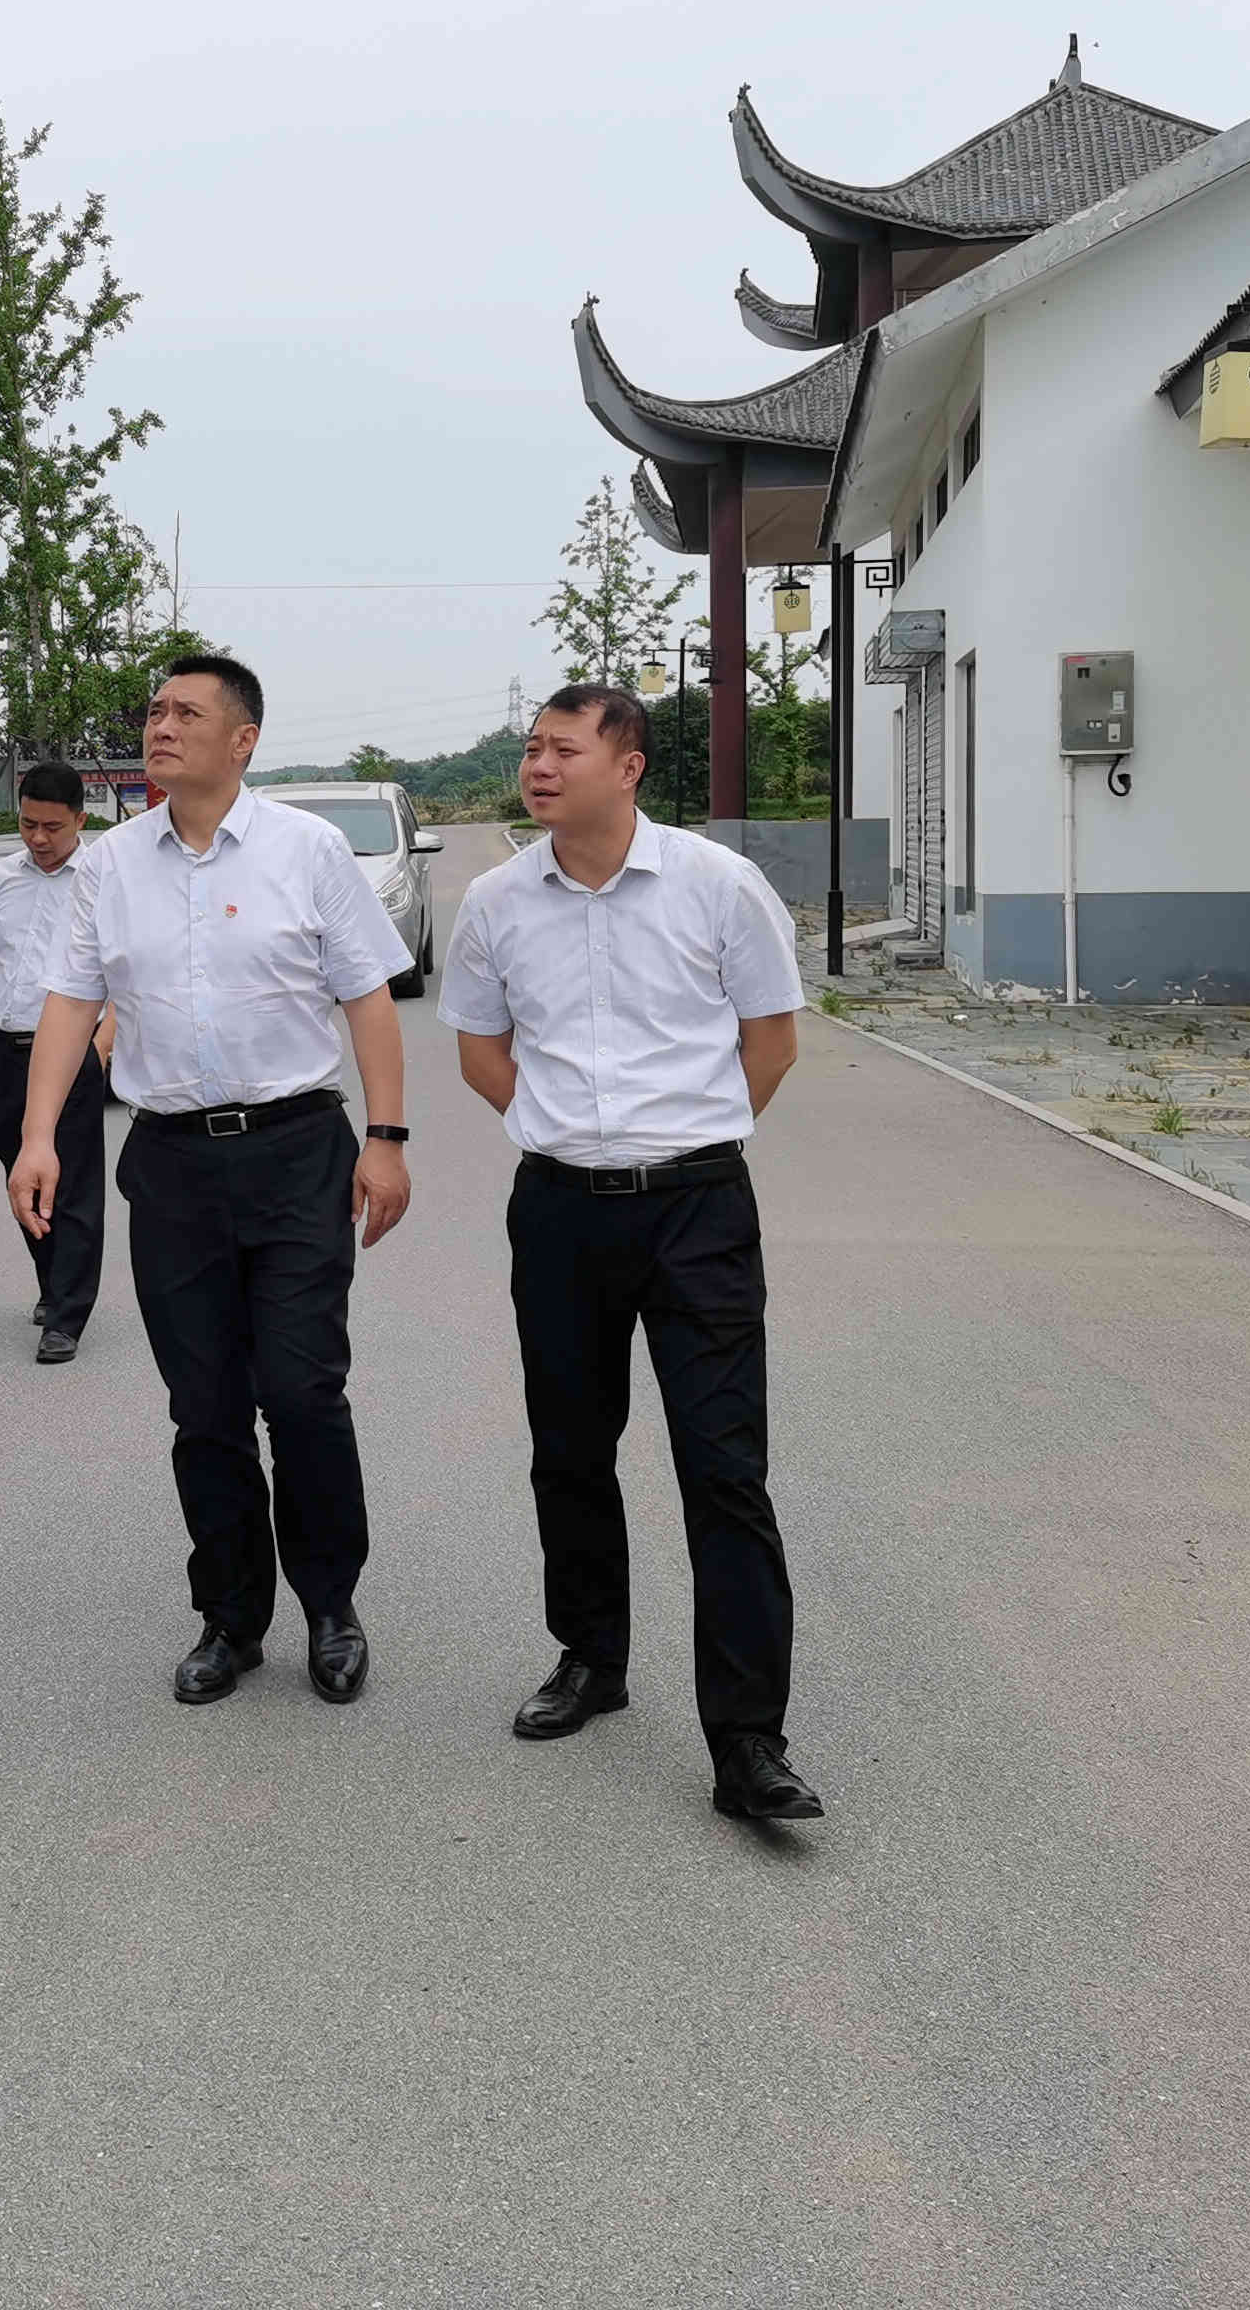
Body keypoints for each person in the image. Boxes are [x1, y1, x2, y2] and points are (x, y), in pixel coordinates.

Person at [443, 683, 820, 1824]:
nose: (538, 766)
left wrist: (685, 1139)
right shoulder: (498, 902)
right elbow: (480, 1051)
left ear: (630, 765)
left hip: (698, 1210)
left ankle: (747, 1740)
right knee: (569, 1450)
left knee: (723, 1467)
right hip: (561, 1211)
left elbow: (771, 1042)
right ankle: (591, 1659)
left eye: (563, 748)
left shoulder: (718, 884)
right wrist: (567, 1135)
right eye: (531, 748)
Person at [10, 654, 414, 1708]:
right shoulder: (109, 865)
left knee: (302, 1390)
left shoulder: (308, 850)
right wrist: (39, 1136)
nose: (161, 725)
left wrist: (386, 1136)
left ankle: (331, 1604)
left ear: (243, 741)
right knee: (205, 1405)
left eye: (186, 712)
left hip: (295, 1151)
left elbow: (368, 996)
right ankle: (231, 1618)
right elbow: (69, 1002)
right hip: (172, 1163)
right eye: (154, 709)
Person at [0, 760, 114, 1362]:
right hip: (8, 1048)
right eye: (28, 825)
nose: (39, 838)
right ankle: (52, 1283)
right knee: (20, 1173)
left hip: (72, 1052)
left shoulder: (103, 878)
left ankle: (68, 1317)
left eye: (53, 827)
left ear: (80, 820)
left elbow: (125, 971)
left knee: (73, 1186)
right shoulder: (2, 876)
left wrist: (102, 1043)